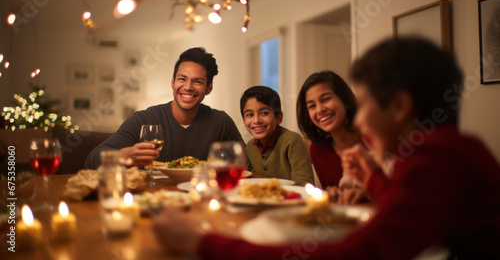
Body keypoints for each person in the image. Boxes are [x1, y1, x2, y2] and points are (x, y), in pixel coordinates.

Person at [151, 37, 500, 259]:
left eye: (362, 104)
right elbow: (405, 209)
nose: (359, 120)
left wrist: (200, 243)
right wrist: (375, 179)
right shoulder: (439, 151)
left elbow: (355, 253)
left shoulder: (435, 159)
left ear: (399, 107)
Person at [85, 47, 243, 169]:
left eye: (198, 82)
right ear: (173, 82)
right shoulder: (144, 120)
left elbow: (244, 166)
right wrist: (125, 155)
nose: (188, 87)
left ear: (209, 88)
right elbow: (92, 160)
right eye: (182, 79)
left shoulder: (221, 122)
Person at [296, 71, 368, 203]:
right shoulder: (318, 151)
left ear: (345, 101)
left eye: (326, 99)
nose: (319, 110)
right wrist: (333, 194)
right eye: (312, 106)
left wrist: (368, 193)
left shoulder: (374, 139)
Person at [240, 85, 314, 186]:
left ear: (278, 117)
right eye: (250, 115)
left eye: (264, 113)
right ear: (244, 121)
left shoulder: (291, 140)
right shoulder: (250, 146)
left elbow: (304, 184)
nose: (256, 120)